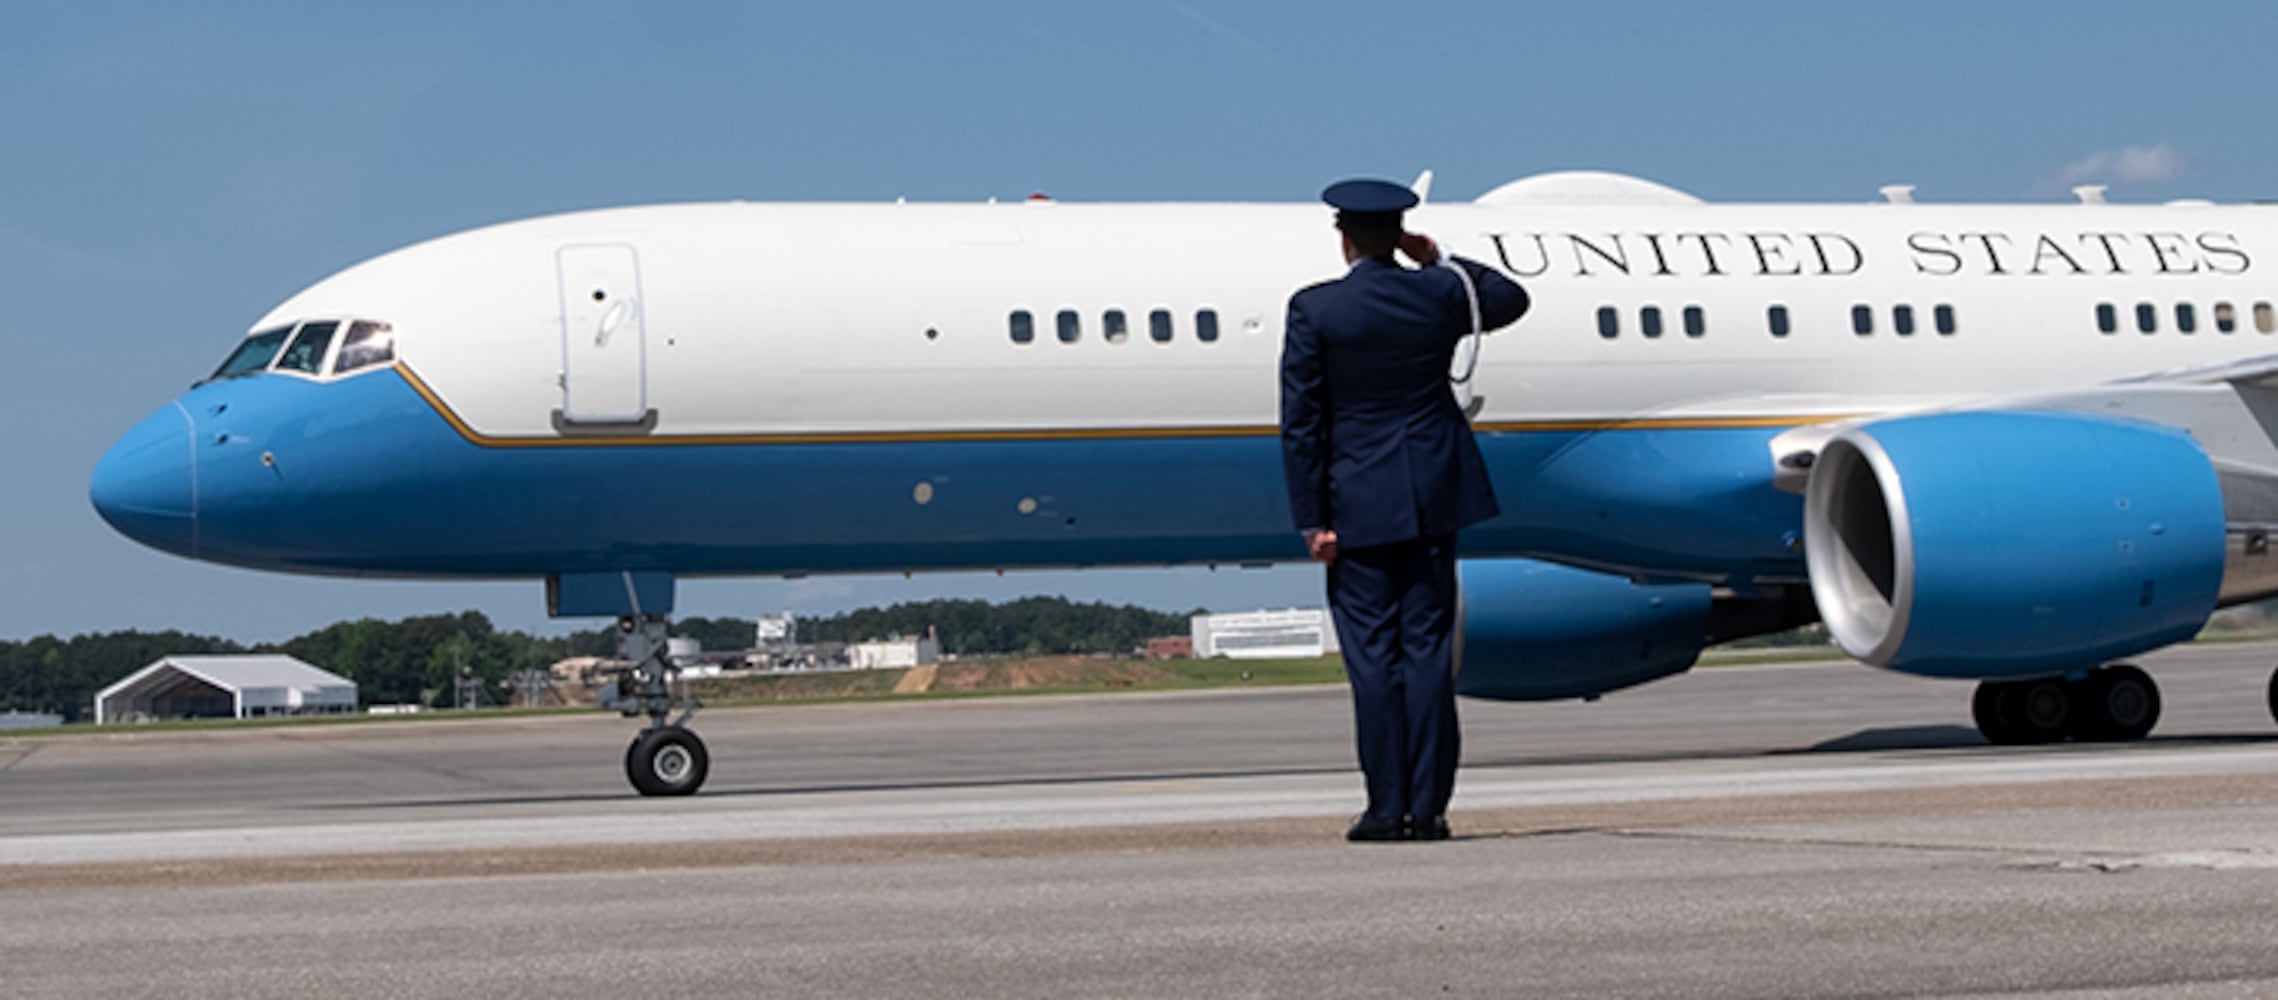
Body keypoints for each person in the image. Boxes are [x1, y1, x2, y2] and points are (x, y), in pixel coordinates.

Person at [1279, 178, 1530, 842]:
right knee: (1425, 656)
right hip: (1431, 494)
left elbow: (1301, 422)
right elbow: (1509, 298)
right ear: (1398, 233)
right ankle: (1430, 808)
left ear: (1344, 239)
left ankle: (1385, 809)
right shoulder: (1440, 292)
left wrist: (1313, 518)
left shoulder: (1315, 309)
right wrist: (1436, 255)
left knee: (1372, 661)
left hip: (1355, 501)